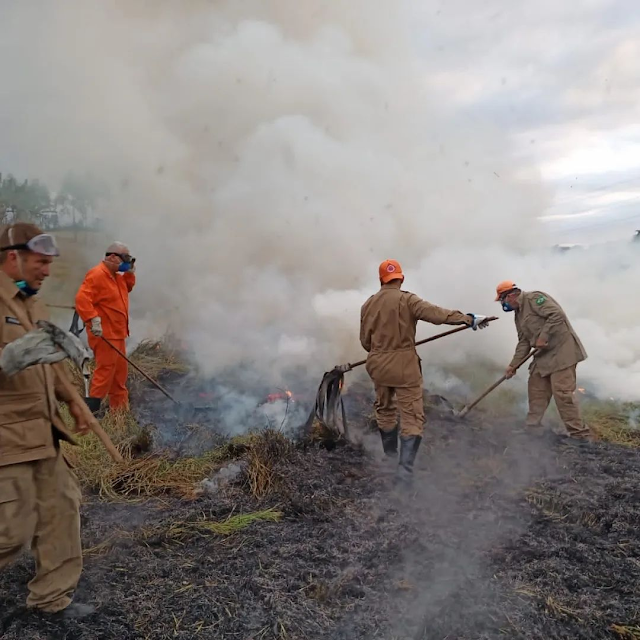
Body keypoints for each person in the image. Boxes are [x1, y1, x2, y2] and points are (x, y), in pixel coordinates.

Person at [0, 223, 94, 618]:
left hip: (42, 430)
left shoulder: (31, 302)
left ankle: (51, 599)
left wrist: (72, 400)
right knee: (11, 530)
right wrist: (14, 354)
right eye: (41, 263)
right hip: (6, 436)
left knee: (61, 509)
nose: (47, 271)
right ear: (12, 257)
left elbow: (45, 363)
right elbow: (19, 356)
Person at [360, 259, 489, 485]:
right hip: (404, 365)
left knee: (385, 408)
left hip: (377, 364)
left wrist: (382, 349)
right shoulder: (407, 300)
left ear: (381, 280)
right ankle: (404, 473)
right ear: (401, 278)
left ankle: (390, 459)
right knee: (411, 416)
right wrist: (469, 319)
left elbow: (365, 342)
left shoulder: (368, 304)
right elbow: (438, 315)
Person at [495, 280, 590, 439]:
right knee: (536, 389)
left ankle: (580, 435)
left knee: (563, 394)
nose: (503, 304)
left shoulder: (535, 299)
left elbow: (556, 314)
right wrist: (513, 365)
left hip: (562, 352)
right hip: (543, 357)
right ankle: (533, 428)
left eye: (502, 300)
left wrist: (544, 336)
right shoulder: (518, 315)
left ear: (510, 296)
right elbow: (524, 342)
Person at [75, 242, 136, 411]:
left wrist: (130, 272)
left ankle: (120, 414)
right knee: (105, 373)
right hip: (104, 335)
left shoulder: (117, 277)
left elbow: (127, 288)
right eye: (125, 259)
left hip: (118, 334)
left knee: (119, 375)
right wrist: (93, 319)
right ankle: (90, 414)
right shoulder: (96, 275)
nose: (127, 263)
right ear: (112, 257)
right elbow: (82, 299)